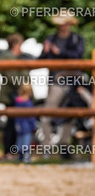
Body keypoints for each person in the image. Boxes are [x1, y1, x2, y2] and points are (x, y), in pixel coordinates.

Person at [39, 10, 84, 149]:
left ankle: (64, 147)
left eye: (65, 23)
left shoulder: (77, 39)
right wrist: (45, 51)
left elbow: (78, 56)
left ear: (70, 24)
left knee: (69, 115)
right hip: (55, 81)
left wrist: (60, 52)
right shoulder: (51, 39)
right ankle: (46, 146)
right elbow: (40, 60)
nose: (62, 26)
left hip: (73, 81)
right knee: (47, 113)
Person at [0, 33, 31, 159]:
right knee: (11, 125)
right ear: (15, 44)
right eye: (20, 44)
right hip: (12, 96)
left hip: (17, 95)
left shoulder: (16, 57)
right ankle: (9, 151)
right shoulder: (8, 58)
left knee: (16, 124)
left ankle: (14, 151)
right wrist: (23, 88)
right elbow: (12, 77)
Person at [14, 84, 37, 163]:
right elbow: (31, 116)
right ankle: (26, 157)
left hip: (19, 125)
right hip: (27, 126)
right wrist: (34, 125)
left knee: (20, 141)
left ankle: (20, 156)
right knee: (26, 142)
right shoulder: (28, 102)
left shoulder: (17, 101)